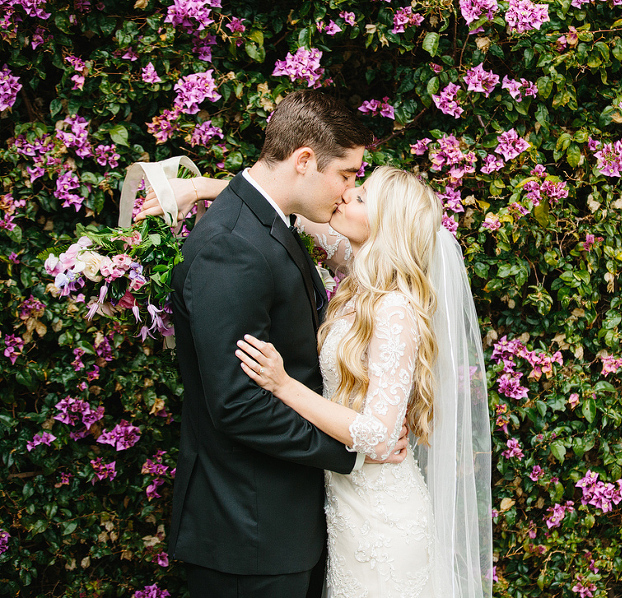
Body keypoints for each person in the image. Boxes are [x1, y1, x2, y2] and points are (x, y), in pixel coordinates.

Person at [151, 165, 492, 597]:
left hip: (382, 514)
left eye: (363, 196)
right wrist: (200, 189)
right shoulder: (357, 267)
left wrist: (284, 385)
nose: (346, 195)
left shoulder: (394, 309)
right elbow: (281, 202)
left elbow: (380, 435)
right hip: (341, 505)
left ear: (387, 225)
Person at [165, 89, 411, 598]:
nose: (348, 192)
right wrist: (355, 450)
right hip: (250, 533)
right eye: (346, 174)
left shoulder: (271, 224)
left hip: (283, 527)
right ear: (304, 161)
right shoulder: (232, 246)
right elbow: (238, 404)